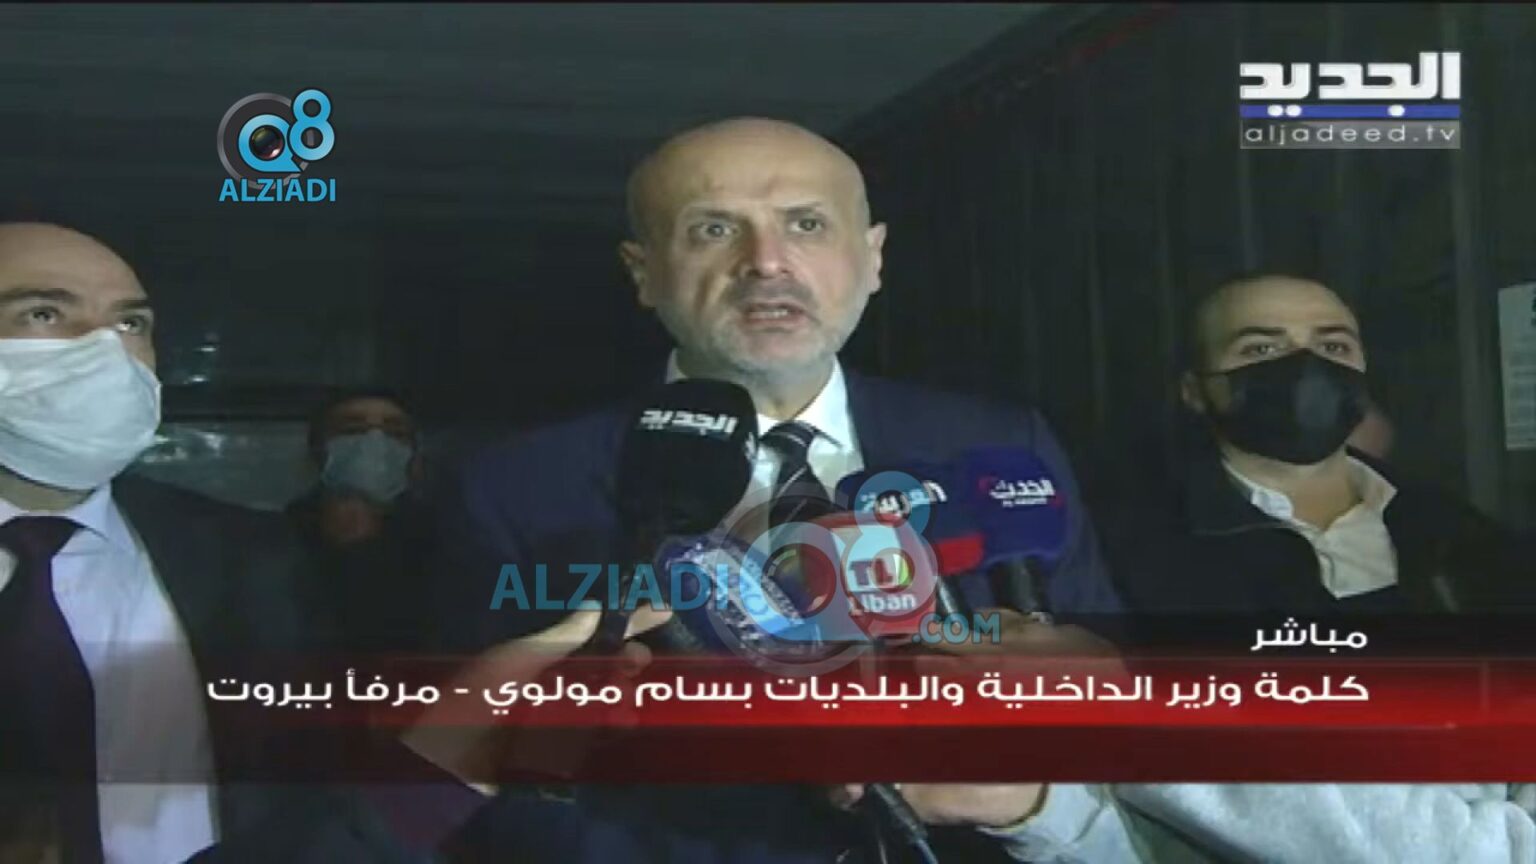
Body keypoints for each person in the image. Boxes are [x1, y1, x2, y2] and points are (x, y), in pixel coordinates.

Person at [423, 117, 1123, 862]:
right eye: (714, 229)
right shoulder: (515, 485)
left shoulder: (1002, 444)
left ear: (872, 258)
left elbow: (1116, 687)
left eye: (806, 224)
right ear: (643, 272)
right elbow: (465, 773)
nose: (765, 262)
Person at [1056, 273, 1536, 862]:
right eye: (1261, 348)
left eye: (1333, 346)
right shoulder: (1123, 548)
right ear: (1194, 390)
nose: (1306, 368)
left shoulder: (1464, 536)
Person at [0, 222, 372, 862]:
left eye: (130, 324)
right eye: (44, 313)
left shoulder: (251, 558)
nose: (106, 352)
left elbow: (317, 783)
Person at [287, 389, 434, 651]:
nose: (374, 443)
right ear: (317, 449)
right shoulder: (275, 539)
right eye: (352, 430)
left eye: (396, 433)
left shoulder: (446, 538)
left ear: (415, 457)